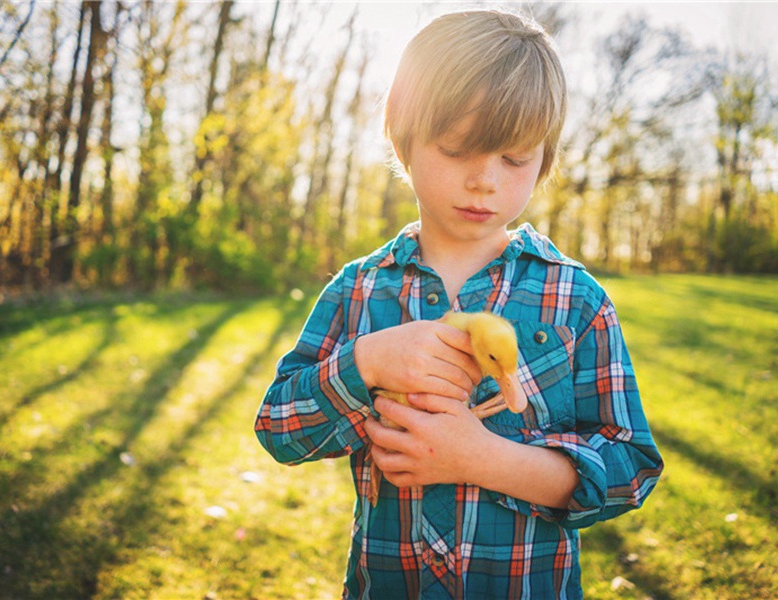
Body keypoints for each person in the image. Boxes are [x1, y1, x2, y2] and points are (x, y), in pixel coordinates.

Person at [255, 9, 663, 599]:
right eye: (456, 149)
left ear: (543, 162)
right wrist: (365, 363)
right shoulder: (358, 290)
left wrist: (482, 459)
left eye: (514, 159)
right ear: (406, 142)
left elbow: (632, 468)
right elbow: (279, 429)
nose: (484, 181)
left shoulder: (577, 300)